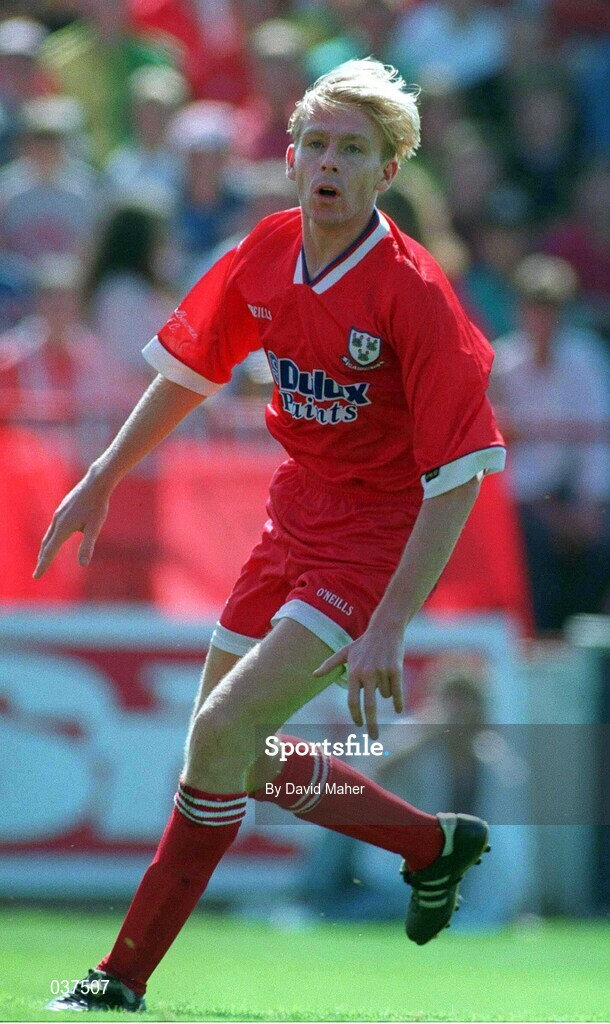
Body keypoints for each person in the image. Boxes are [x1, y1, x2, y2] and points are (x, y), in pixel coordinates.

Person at [37, 59, 505, 1013]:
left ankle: (117, 981)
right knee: (227, 754)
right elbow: (189, 369)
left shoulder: (415, 297)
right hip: (293, 517)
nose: (330, 163)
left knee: (220, 731)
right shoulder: (266, 251)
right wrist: (102, 475)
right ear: (291, 159)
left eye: (355, 150)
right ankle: (430, 845)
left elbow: (458, 479)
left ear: (387, 171)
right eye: (318, 145)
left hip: (372, 541)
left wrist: (390, 624)